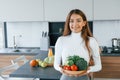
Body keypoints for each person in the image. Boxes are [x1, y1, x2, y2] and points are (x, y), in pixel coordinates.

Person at [54, 9, 102, 80]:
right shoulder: (61, 40)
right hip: (66, 78)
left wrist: (88, 70)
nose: (75, 24)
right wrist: (61, 69)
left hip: (83, 77)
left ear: (84, 23)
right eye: (71, 21)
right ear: (68, 23)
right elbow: (56, 64)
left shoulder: (91, 41)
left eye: (78, 21)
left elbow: (98, 66)